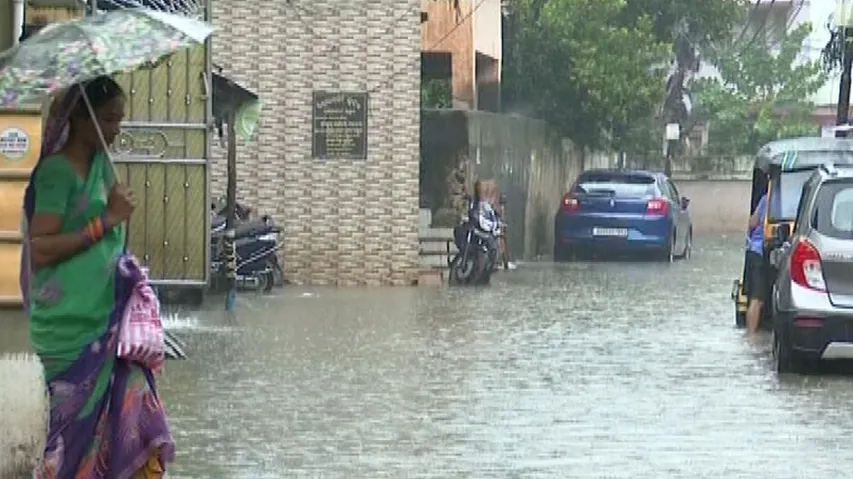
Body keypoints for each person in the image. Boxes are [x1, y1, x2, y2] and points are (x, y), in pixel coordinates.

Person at [21, 76, 175, 479]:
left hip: (110, 326)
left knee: (138, 413)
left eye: (119, 119)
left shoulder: (101, 170)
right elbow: (40, 248)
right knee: (68, 439)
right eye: (109, 119)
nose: (116, 129)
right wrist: (106, 221)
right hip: (69, 329)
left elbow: (111, 243)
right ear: (80, 117)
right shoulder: (57, 174)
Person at [745, 192, 769, 335]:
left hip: (754, 250)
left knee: (755, 298)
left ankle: (750, 336)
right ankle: (751, 337)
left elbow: (752, 222)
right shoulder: (790, 197)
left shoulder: (766, 197)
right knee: (758, 299)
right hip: (762, 252)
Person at [468, 180, 499, 266]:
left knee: (492, 243)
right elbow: (473, 214)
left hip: (485, 230)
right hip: (477, 230)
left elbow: (491, 217)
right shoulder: (475, 203)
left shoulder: (487, 206)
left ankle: (489, 264)